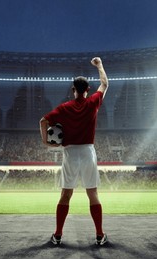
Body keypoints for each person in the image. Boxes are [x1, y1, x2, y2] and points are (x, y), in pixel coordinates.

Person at [39, 57, 109, 246]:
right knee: (92, 193)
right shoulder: (93, 102)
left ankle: (58, 235)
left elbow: (43, 121)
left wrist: (47, 142)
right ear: (87, 90)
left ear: (73, 90)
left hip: (70, 153)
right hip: (88, 151)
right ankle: (100, 235)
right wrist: (99, 65)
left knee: (65, 194)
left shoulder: (64, 108)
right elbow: (104, 83)